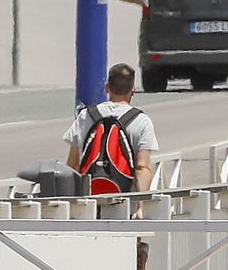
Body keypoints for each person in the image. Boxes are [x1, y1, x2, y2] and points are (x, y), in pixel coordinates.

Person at [64, 63, 159, 193]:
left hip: (89, 197)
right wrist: (140, 205)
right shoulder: (141, 121)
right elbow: (142, 167)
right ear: (133, 90)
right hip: (124, 198)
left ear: (107, 88)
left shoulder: (86, 115)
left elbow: (73, 164)